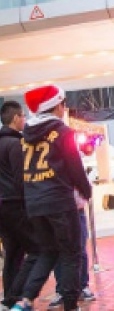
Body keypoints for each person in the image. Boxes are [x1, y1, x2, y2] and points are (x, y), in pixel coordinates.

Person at [11, 85, 92, 311]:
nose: (64, 108)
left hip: (35, 203)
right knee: (71, 254)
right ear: (57, 106)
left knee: (47, 251)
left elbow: (21, 173)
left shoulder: (25, 135)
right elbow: (75, 167)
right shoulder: (63, 132)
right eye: (63, 104)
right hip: (59, 202)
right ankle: (70, 305)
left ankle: (25, 300)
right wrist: (86, 191)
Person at [0, 101, 39, 309]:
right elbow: (20, 178)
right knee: (36, 250)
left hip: (2, 207)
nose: (25, 120)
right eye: (23, 116)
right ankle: (18, 296)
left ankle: (9, 299)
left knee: (12, 253)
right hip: (15, 204)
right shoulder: (15, 144)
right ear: (15, 118)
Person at [47, 190, 95, 309]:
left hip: (75, 209)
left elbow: (85, 185)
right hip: (55, 211)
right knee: (59, 252)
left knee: (80, 249)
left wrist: (80, 199)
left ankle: (83, 286)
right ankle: (61, 290)